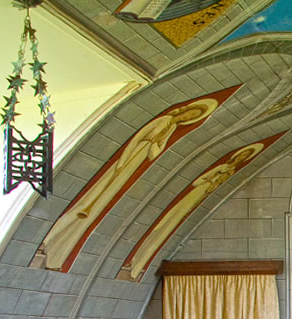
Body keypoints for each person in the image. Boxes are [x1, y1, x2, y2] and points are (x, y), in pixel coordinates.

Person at [36, 98, 218, 271]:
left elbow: (154, 154)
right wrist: (122, 162)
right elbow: (137, 138)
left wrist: (153, 145)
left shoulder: (170, 130)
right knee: (92, 199)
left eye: (191, 117)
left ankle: (58, 252)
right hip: (126, 161)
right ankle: (47, 240)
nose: (187, 117)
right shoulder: (163, 120)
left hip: (137, 161)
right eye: (189, 113)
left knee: (100, 207)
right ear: (184, 110)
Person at [118, 143, 263, 281]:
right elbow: (198, 181)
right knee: (168, 222)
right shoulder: (223, 167)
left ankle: (137, 267)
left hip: (202, 196)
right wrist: (210, 181)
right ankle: (135, 263)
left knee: (172, 225)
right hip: (197, 193)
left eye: (244, 157)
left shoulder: (231, 172)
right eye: (241, 155)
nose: (241, 158)